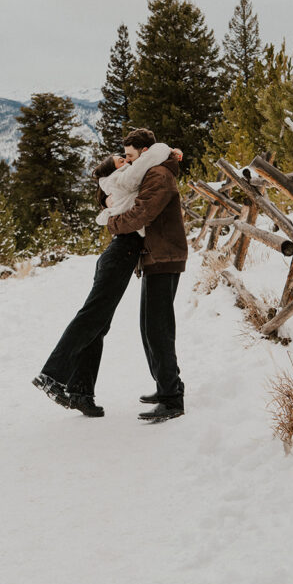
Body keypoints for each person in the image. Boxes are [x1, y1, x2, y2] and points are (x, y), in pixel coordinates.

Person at [32, 140, 175, 417]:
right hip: (122, 251)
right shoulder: (125, 178)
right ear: (114, 170)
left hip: (117, 253)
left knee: (99, 323)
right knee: (92, 316)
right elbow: (151, 156)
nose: (126, 160)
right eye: (120, 159)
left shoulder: (117, 182)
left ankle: (80, 391)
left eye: (126, 157)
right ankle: (52, 374)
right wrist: (170, 151)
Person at [106, 128, 188, 423]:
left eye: (129, 156)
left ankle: (171, 398)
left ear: (143, 152)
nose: (126, 162)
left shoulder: (158, 175)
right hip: (157, 256)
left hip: (164, 256)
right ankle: (167, 385)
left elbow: (142, 214)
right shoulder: (151, 172)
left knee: (158, 328)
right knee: (149, 326)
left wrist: (112, 223)